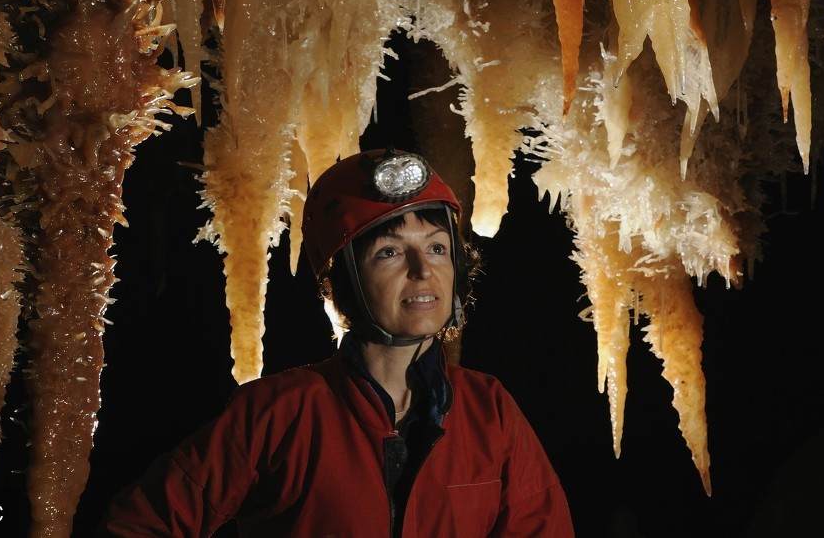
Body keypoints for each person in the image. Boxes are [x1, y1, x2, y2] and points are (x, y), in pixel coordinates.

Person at [100, 147, 573, 536]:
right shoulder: (278, 412)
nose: (422, 269)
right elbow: (139, 526)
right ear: (341, 281)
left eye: (436, 248)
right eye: (390, 252)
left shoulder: (490, 411)